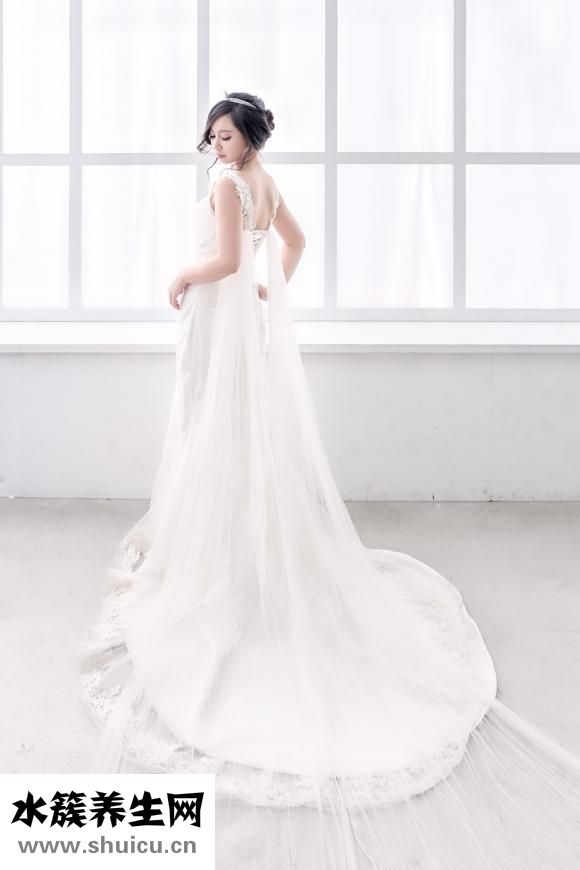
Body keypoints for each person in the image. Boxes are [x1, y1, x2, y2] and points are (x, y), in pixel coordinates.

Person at [79, 91, 580, 868]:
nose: (217, 146)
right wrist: (266, 289)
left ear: (249, 137)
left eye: (227, 135)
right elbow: (294, 244)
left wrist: (184, 275)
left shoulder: (227, 186)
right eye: (212, 136)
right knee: (234, 436)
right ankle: (238, 549)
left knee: (213, 430)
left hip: (216, 321)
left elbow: (224, 259)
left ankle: (219, 566)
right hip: (240, 325)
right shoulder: (264, 181)